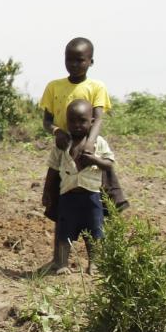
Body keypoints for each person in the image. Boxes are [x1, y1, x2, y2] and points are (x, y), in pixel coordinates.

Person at [38, 37, 129, 213]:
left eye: (80, 60)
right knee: (58, 185)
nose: (73, 64)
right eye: (69, 59)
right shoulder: (53, 87)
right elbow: (47, 121)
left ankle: (111, 210)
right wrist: (57, 132)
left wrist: (90, 143)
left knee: (104, 190)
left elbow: (99, 118)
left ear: (91, 62)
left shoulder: (96, 87)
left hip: (91, 143)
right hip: (65, 143)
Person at [40, 99, 116, 275]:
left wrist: (95, 160)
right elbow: (52, 169)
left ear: (91, 121)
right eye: (72, 121)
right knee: (64, 232)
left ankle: (94, 264)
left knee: (95, 232)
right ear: (66, 121)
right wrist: (47, 192)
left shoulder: (99, 144)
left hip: (91, 197)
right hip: (68, 196)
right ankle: (62, 263)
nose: (77, 125)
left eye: (82, 121)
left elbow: (109, 164)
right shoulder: (62, 144)